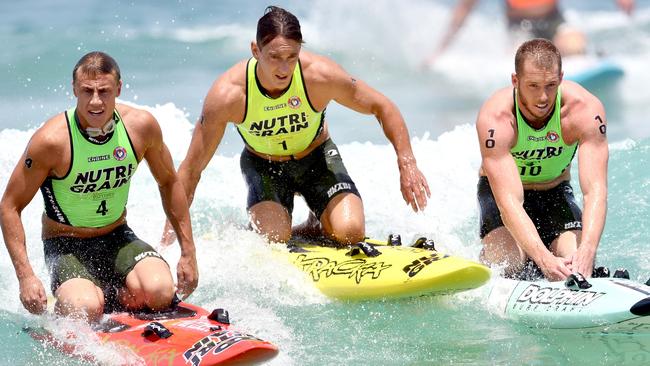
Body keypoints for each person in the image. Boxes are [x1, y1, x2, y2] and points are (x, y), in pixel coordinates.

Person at [162, 6, 430, 246]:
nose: (284, 68)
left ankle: (317, 219)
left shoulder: (319, 76)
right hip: (263, 165)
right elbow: (191, 169)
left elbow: (383, 107)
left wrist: (407, 163)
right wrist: (174, 241)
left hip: (317, 158)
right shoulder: (229, 95)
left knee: (351, 233)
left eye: (292, 56)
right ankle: (262, 224)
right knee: (274, 238)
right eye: (275, 57)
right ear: (255, 50)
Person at [0, 52, 198, 322]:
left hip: (117, 236)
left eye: (104, 91)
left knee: (160, 292)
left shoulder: (140, 127)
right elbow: (10, 206)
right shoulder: (52, 141)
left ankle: (112, 294)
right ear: (74, 90)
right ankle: (80, 302)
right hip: (66, 245)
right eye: (87, 91)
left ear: (118, 88)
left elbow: (169, 181)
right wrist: (26, 277)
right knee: (86, 309)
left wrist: (188, 253)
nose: (95, 101)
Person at [475, 38, 608, 281]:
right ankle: (493, 260)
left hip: (554, 192)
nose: (543, 97)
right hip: (502, 198)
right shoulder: (497, 118)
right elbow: (509, 202)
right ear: (515, 81)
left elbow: (595, 189)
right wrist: (542, 257)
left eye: (551, 85)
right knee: (511, 265)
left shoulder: (584, 111)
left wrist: (588, 250)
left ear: (561, 78)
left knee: (575, 263)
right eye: (533, 85)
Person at [424, 0, 635, 66]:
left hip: (553, 21)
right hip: (520, 27)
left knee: (575, 46)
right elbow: (464, 10)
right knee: (527, 61)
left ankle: (590, 59)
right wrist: (440, 50)